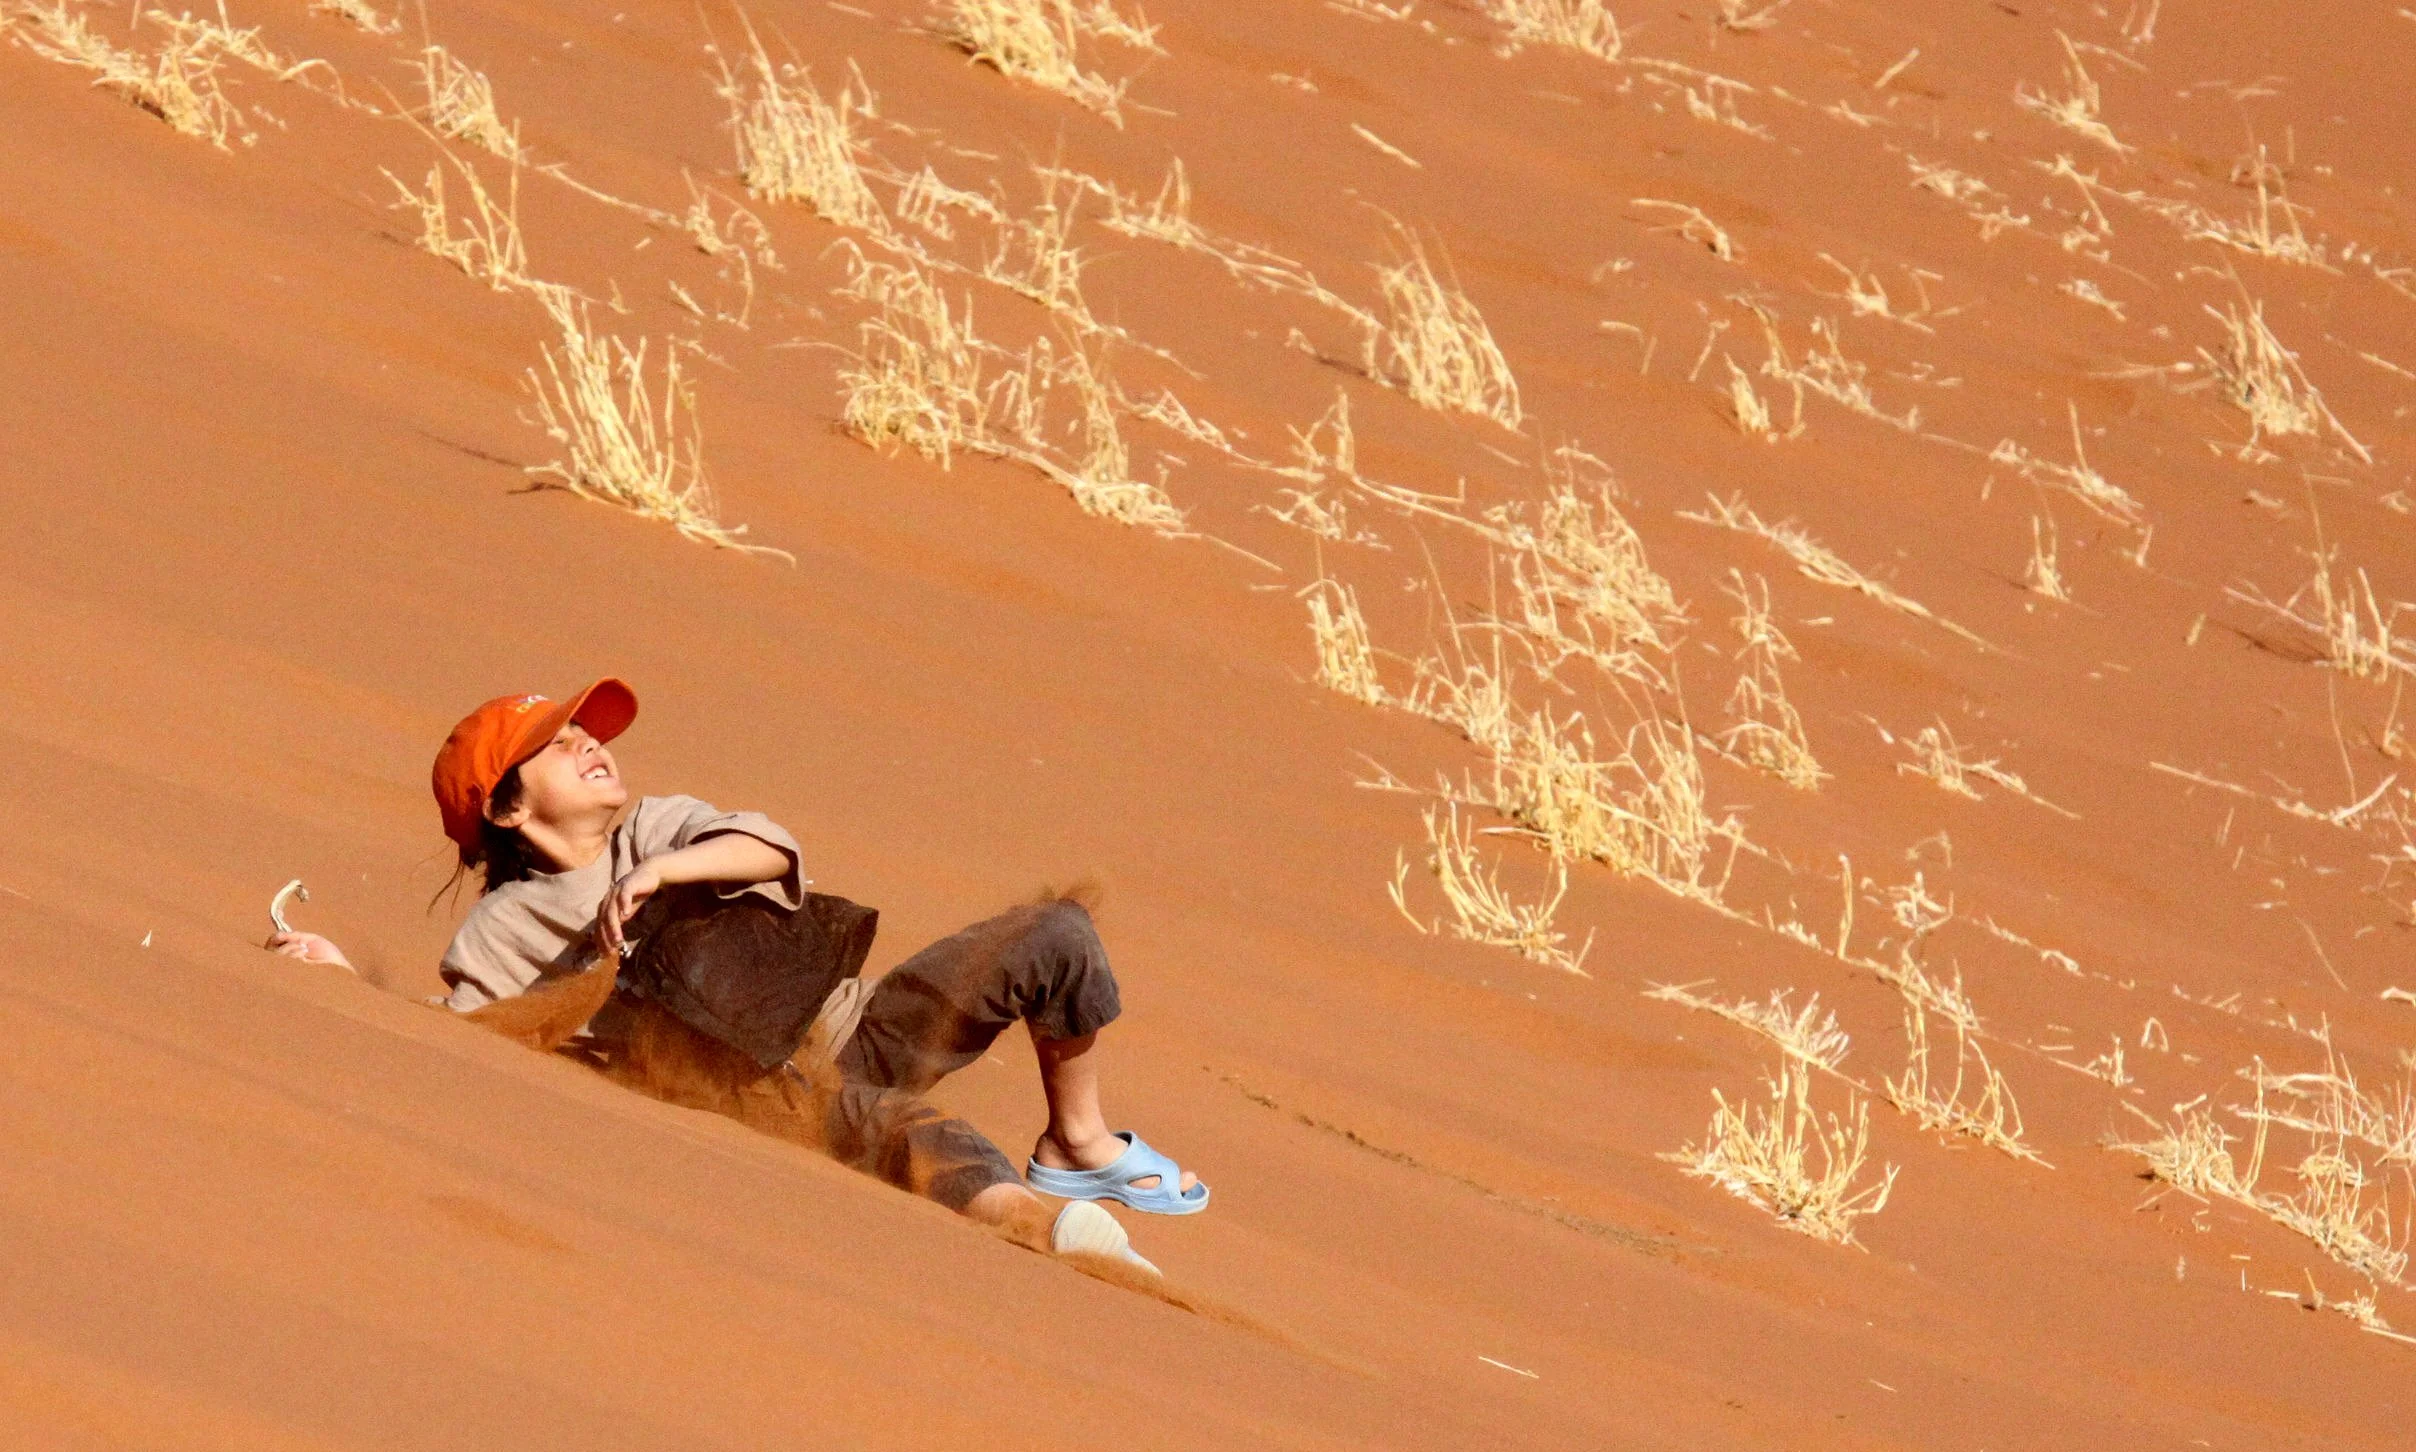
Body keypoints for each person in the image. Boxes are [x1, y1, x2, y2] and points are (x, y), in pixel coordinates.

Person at [267, 678, 1207, 1270]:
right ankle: (1048, 1232)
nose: (592, 745)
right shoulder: (499, 935)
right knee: (909, 1128)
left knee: (1055, 931)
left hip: (861, 1023)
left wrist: (661, 870)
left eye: (588, 731)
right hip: (776, 1090)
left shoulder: (657, 825)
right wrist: (344, 980)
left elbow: (768, 846)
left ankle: (1079, 1148)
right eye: (557, 745)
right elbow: (471, 1032)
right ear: (506, 809)